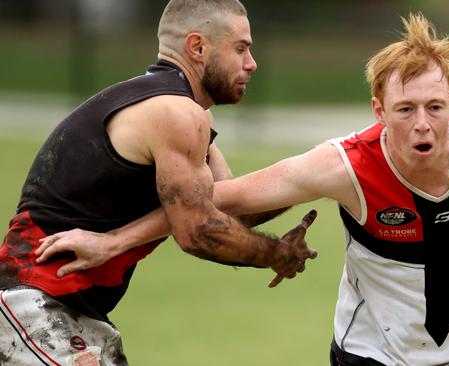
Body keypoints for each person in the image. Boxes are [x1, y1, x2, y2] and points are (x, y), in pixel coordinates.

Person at [34, 13, 449, 366]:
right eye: (406, 110)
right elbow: (216, 201)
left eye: (436, 108)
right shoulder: (345, 166)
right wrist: (111, 242)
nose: (423, 124)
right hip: (371, 355)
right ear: (378, 112)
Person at [0, 1, 318, 365]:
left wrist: (313, 179)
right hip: (32, 304)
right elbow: (200, 232)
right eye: (241, 49)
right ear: (197, 47)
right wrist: (276, 254)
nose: (251, 63)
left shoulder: (180, 109)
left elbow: (230, 206)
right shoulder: (176, 113)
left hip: (67, 312)